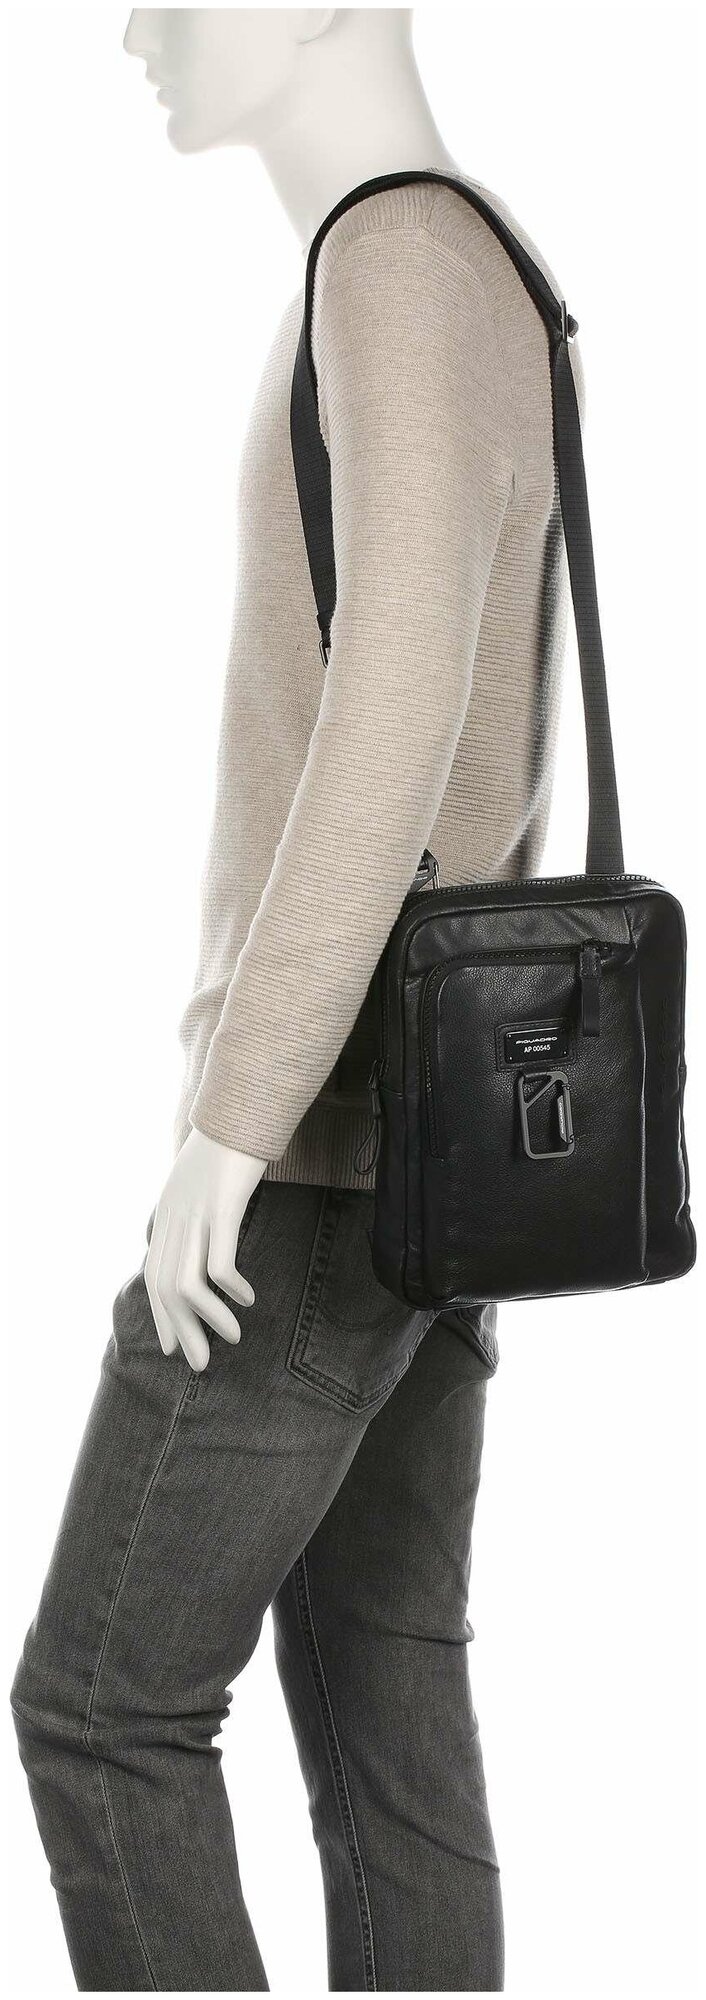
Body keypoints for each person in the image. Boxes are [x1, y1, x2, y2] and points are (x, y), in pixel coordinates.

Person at [11, 10, 581, 1989]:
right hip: (432, 1158)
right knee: (382, 1697)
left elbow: (393, 722)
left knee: (102, 1712)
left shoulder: (396, 261)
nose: (134, 25)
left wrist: (231, 1123)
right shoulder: (480, 262)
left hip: (328, 1164)